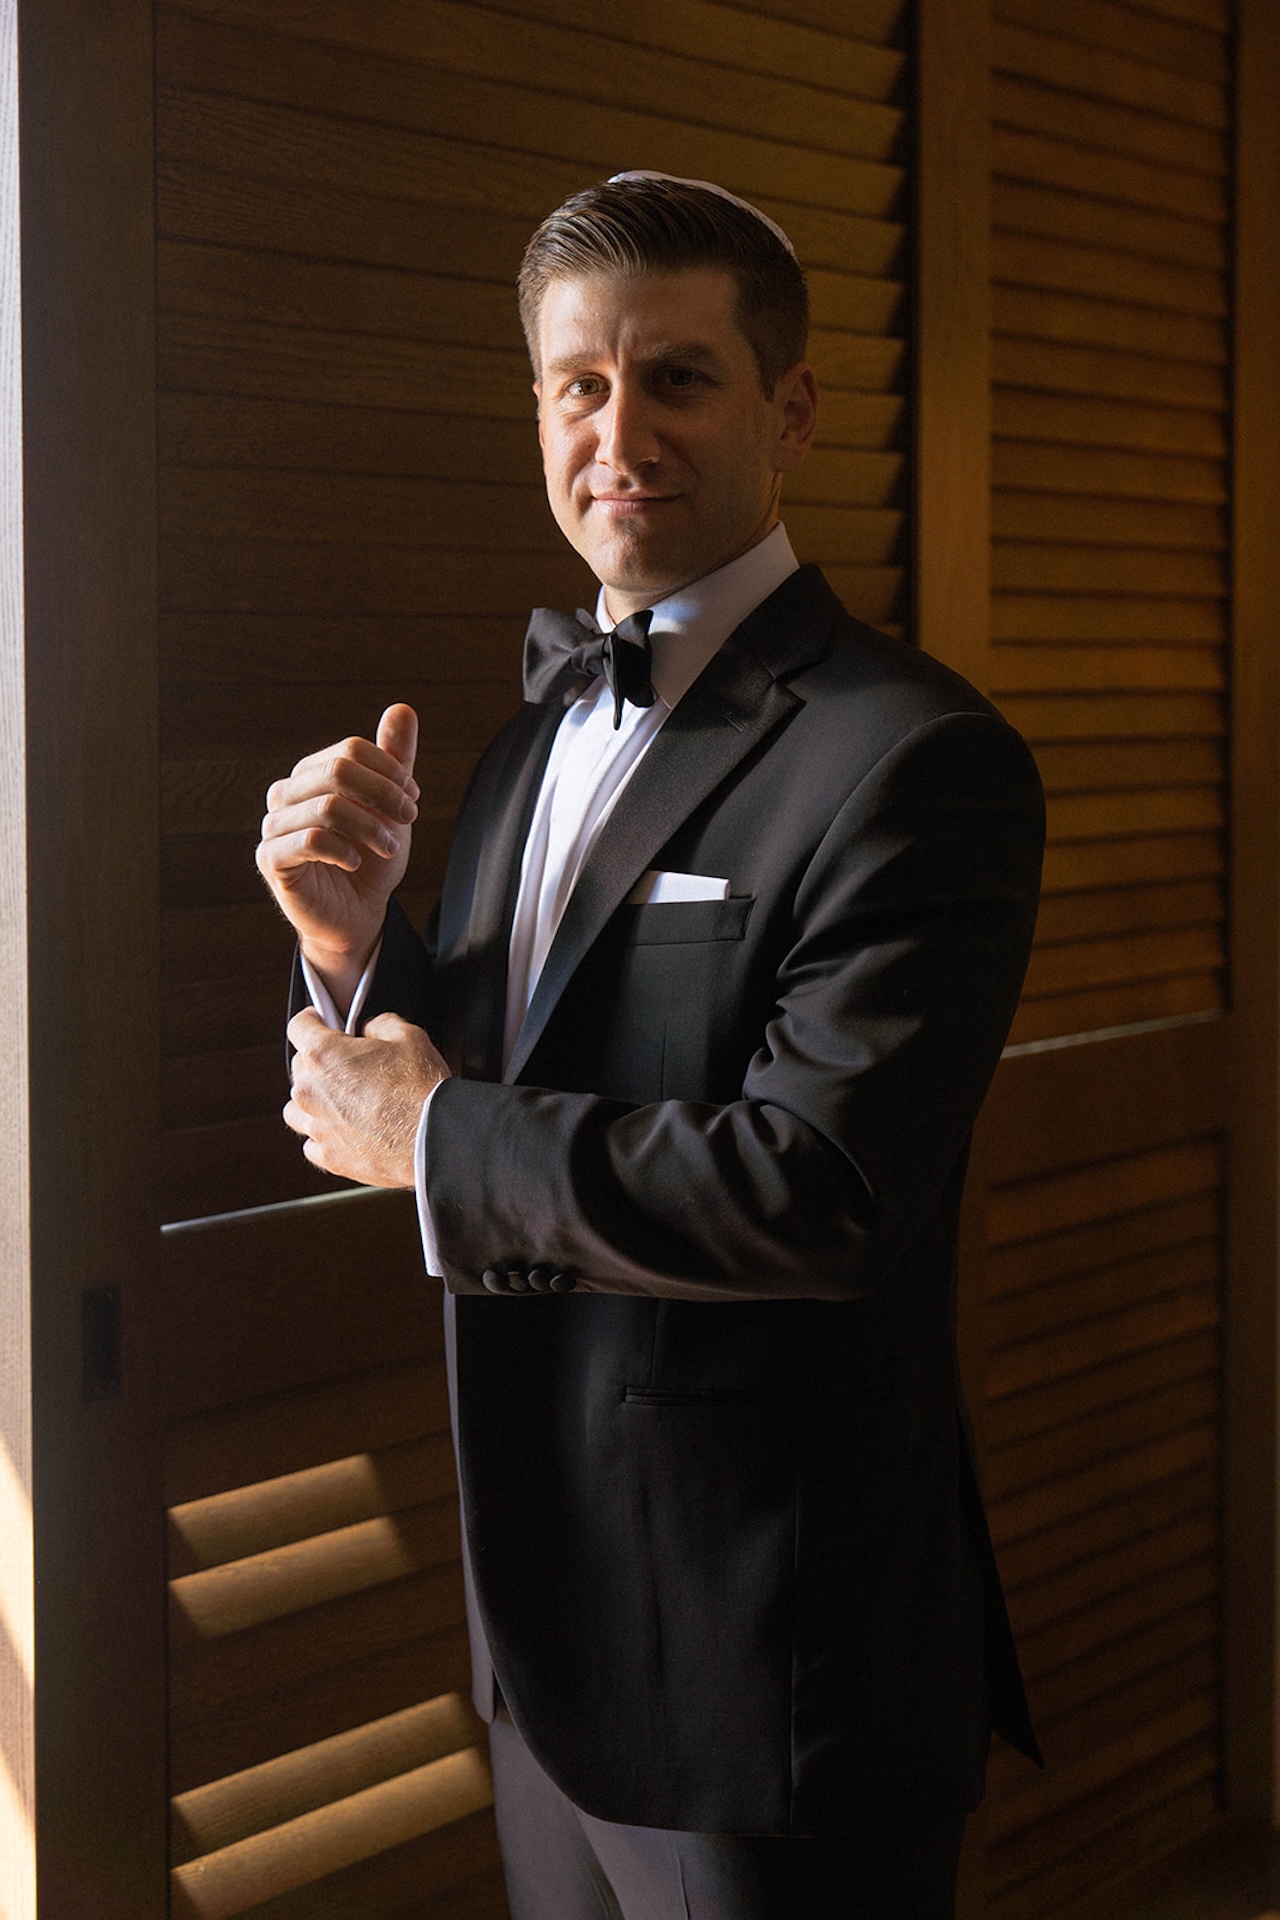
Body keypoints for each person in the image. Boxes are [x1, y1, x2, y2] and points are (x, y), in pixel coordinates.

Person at [257, 173, 1044, 1920]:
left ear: (793, 412)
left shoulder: (915, 757)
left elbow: (825, 1187)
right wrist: (346, 945)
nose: (621, 431)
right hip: (540, 1641)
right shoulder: (529, 739)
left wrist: (436, 1137)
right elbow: (497, 1074)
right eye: (578, 386)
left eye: (678, 378)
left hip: (770, 1663)